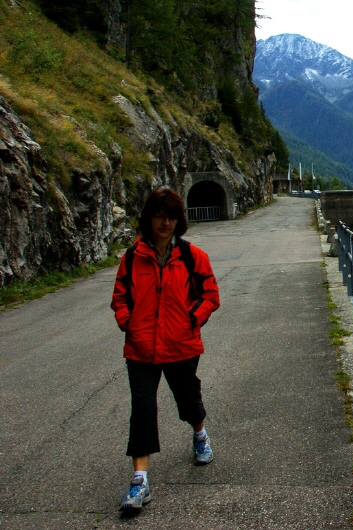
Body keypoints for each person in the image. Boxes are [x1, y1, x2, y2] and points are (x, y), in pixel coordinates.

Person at [110, 187, 221, 512]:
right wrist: (127, 322)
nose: (165, 223)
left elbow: (211, 294)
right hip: (141, 347)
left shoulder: (191, 256)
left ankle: (199, 433)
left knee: (187, 398)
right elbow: (119, 296)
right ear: (148, 219)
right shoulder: (132, 257)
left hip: (181, 344)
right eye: (159, 216)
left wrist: (192, 320)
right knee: (142, 409)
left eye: (171, 217)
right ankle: (140, 481)